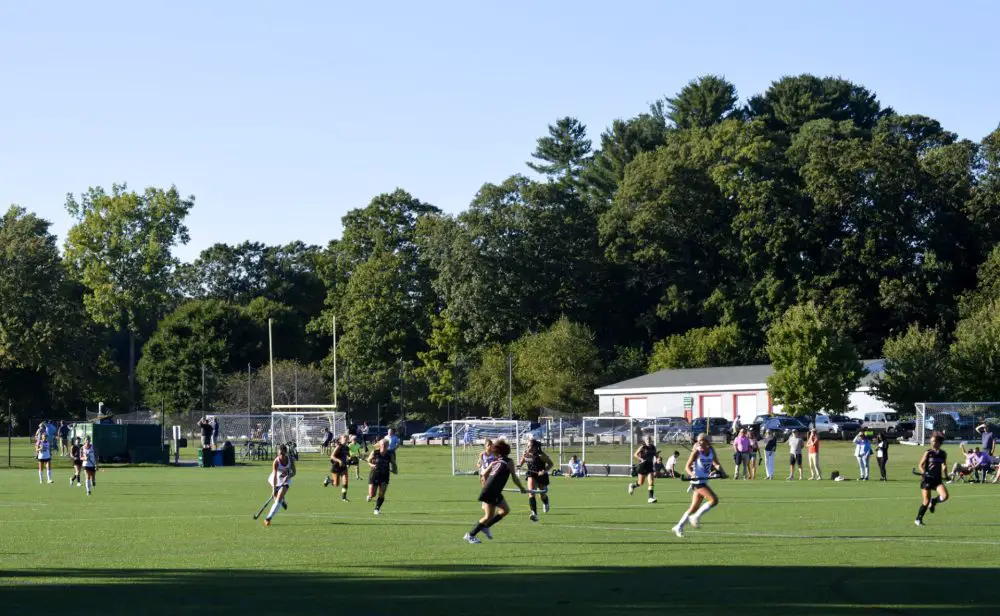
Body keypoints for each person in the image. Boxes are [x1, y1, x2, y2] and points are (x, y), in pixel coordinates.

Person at [465, 439, 527, 544]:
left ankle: (486, 527)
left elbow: (484, 474)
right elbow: (514, 478)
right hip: (491, 491)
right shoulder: (509, 461)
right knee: (488, 516)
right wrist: (521, 488)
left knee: (505, 510)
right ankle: (470, 535)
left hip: (492, 490)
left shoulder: (495, 461)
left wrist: (486, 484)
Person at [672, 433, 723, 537]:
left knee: (693, 508)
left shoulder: (711, 451)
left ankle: (679, 526)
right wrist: (692, 474)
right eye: (698, 440)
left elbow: (716, 463)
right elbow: (687, 467)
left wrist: (720, 471)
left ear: (707, 442)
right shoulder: (696, 452)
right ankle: (695, 517)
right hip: (697, 482)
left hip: (704, 481)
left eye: (701, 441)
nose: (699, 442)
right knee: (714, 500)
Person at [914, 433, 949, 526]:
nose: (931, 443)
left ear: (938, 442)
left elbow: (944, 465)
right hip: (927, 480)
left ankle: (933, 501)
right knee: (926, 501)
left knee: (945, 496)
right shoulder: (928, 452)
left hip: (937, 479)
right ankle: (918, 519)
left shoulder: (943, 454)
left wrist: (946, 474)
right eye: (931, 441)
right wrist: (924, 473)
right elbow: (920, 465)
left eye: (933, 441)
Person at [264, 444, 296, 526]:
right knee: (276, 498)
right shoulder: (276, 462)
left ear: (286, 452)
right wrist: (273, 490)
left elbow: (294, 472)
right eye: (280, 454)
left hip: (286, 479)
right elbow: (274, 476)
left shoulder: (290, 460)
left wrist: (288, 476)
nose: (281, 455)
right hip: (276, 479)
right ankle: (282, 501)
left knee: (279, 497)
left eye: (283, 453)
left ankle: (268, 518)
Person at [628, 436, 658, 503]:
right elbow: (635, 454)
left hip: (650, 465)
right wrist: (641, 459)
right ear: (645, 440)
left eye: (650, 439)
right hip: (643, 466)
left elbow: (656, 455)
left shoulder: (653, 447)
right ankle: (632, 486)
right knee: (640, 483)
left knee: (651, 482)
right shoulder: (643, 447)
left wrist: (658, 458)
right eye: (647, 439)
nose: (649, 440)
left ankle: (650, 498)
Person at [367, 439, 392, 515]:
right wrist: (372, 465)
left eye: (385, 445)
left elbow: (393, 463)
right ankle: (370, 496)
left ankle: (377, 509)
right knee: (372, 494)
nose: (383, 446)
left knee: (382, 493)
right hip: (374, 474)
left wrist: (394, 469)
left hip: (385, 475)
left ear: (388, 446)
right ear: (380, 445)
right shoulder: (375, 452)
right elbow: (368, 460)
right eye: (382, 445)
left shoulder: (389, 454)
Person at [323, 435, 351, 501]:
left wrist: (349, 461)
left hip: (343, 467)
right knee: (336, 484)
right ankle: (329, 480)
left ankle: (344, 498)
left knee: (345, 481)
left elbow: (348, 456)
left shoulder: (347, 448)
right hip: (336, 467)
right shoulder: (339, 446)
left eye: (347, 438)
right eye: (344, 438)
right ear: (341, 439)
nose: (346, 439)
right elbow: (332, 456)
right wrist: (339, 460)